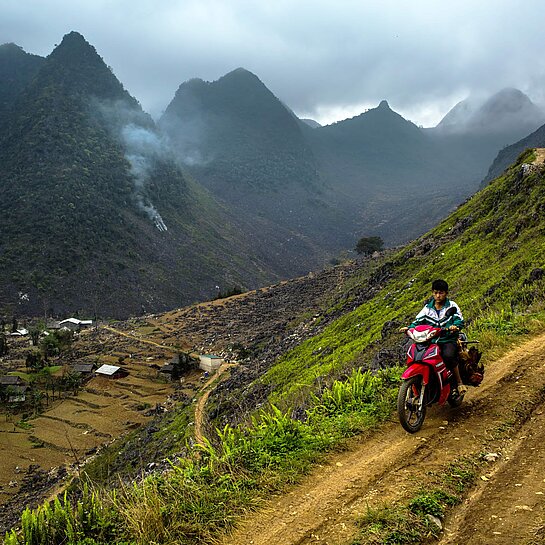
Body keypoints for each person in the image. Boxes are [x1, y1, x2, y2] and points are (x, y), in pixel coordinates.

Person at [400, 279, 468, 396]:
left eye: (441, 293)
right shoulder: (428, 308)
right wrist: (409, 328)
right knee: (417, 356)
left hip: (447, 339)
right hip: (430, 341)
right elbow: (417, 321)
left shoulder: (452, 306)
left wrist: (455, 326)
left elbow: (459, 319)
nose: (438, 295)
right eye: (436, 292)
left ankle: (458, 382)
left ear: (446, 293)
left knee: (448, 356)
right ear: (432, 293)